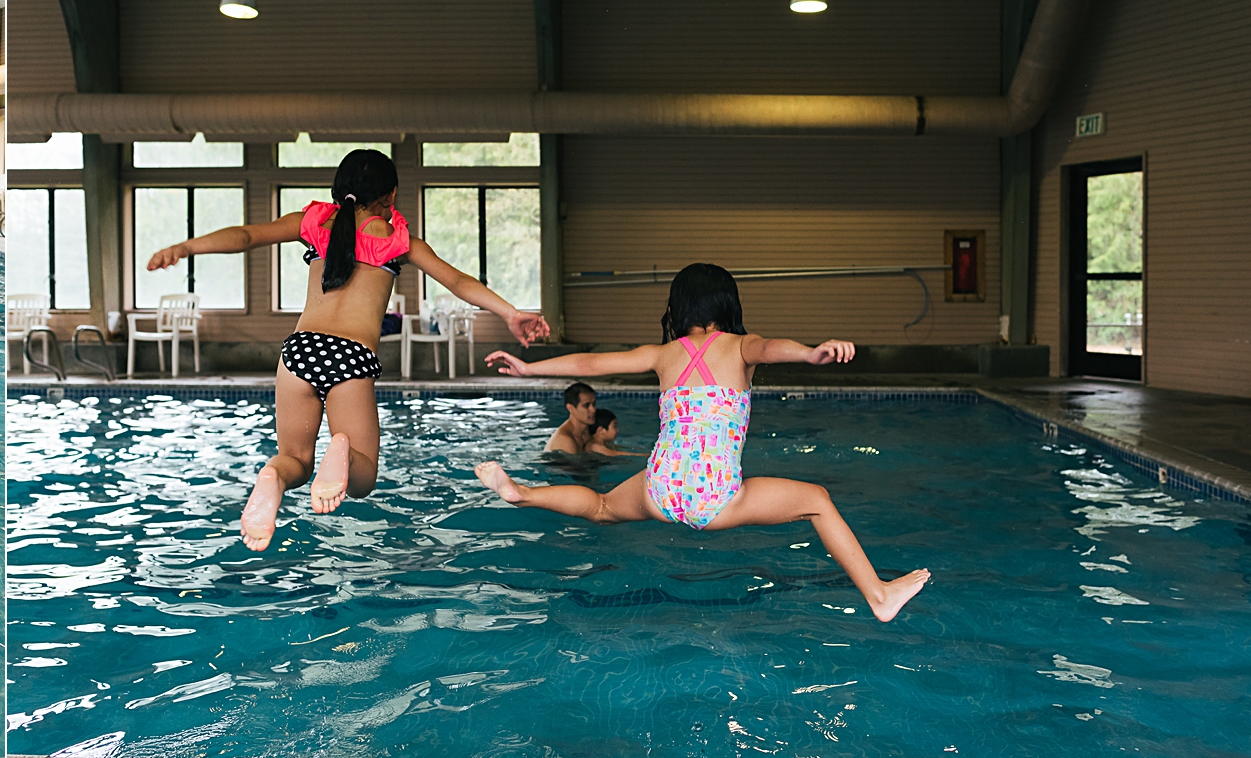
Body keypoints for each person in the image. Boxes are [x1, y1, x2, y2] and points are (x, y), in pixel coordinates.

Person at [475, 263, 929, 622]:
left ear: (679, 308)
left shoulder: (663, 354)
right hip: (716, 496)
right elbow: (772, 346)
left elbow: (593, 363)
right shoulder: (739, 345)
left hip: (660, 488)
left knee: (600, 506)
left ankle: (522, 494)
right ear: (725, 304)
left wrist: (530, 368)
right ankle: (878, 594)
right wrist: (811, 353)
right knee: (818, 501)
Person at [145, 149, 550, 550]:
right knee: (363, 479)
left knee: (296, 461)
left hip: (298, 351)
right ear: (390, 195)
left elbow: (247, 235)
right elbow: (460, 282)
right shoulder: (399, 239)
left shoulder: (315, 223)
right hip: (349, 356)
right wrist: (510, 313)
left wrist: (185, 247)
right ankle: (341, 449)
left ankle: (273, 475)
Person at [546, 382, 599, 453]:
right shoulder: (565, 440)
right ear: (570, 408)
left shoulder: (587, 431)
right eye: (586, 406)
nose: (593, 410)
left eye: (594, 404)